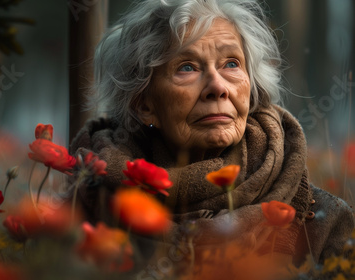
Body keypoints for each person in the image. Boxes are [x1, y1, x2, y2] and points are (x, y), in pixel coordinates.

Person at [69, 0, 354, 270]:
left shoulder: (324, 224)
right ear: (144, 104)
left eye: (231, 63)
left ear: (251, 86)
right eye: (187, 68)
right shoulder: (84, 213)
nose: (217, 87)